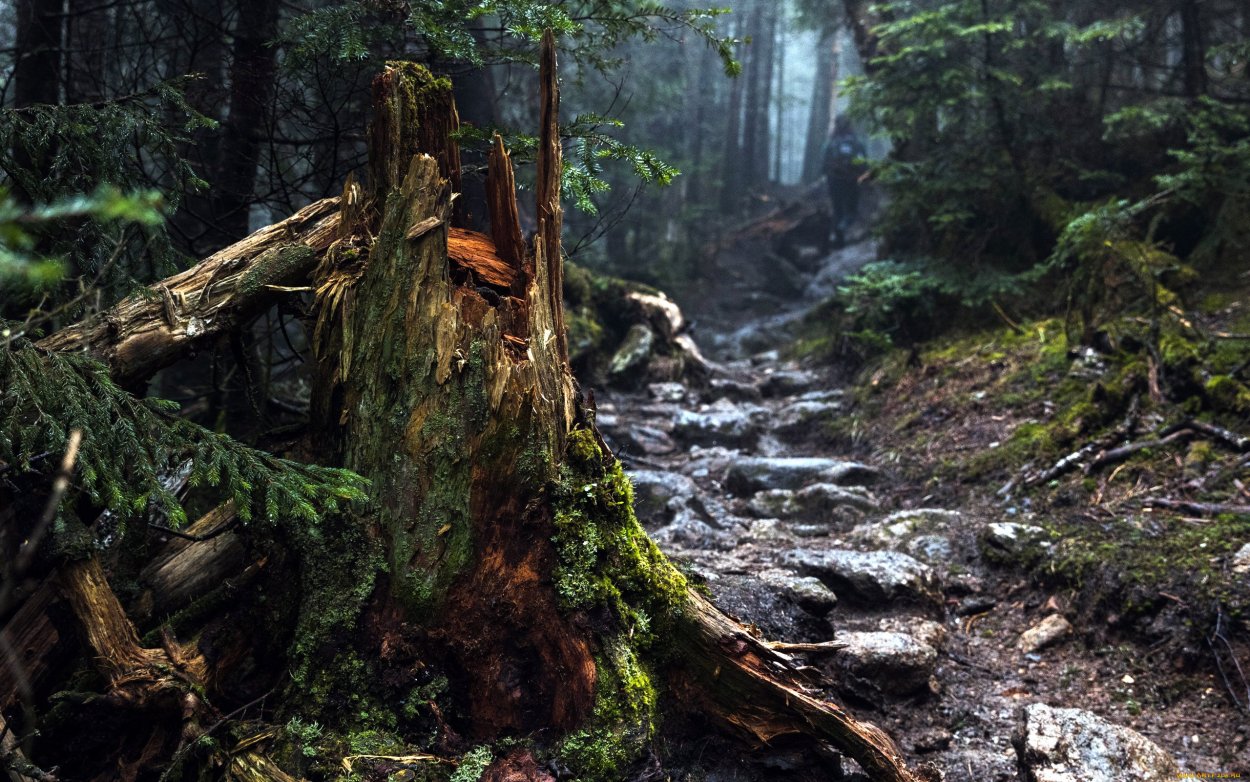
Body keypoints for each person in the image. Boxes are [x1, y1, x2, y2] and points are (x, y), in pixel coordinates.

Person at [822, 117, 868, 249]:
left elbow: (824, 165)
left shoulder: (831, 143)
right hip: (852, 181)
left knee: (837, 209)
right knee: (851, 210)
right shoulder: (857, 143)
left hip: (834, 181)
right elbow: (864, 163)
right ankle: (846, 232)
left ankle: (839, 239)